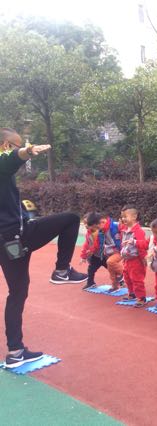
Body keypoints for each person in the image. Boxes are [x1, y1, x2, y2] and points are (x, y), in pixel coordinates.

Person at [0, 128, 87, 368]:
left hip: (6, 241)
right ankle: (62, 270)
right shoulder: (3, 161)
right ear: (6, 145)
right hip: (16, 236)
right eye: (16, 145)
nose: (19, 148)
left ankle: (15, 352)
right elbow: (10, 159)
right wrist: (28, 151)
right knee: (71, 219)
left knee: (18, 292)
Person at [80, 212, 124, 292]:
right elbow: (87, 244)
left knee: (111, 264)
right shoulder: (95, 232)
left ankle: (122, 275)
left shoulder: (108, 228)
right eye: (85, 223)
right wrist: (84, 255)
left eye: (87, 223)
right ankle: (92, 283)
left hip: (108, 254)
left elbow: (98, 244)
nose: (86, 225)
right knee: (93, 269)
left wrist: (91, 250)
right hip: (99, 255)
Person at [119, 205, 148, 308]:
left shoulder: (138, 231)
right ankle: (132, 293)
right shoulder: (125, 229)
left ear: (134, 217)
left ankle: (141, 297)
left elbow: (142, 246)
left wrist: (143, 258)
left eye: (125, 216)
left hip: (136, 260)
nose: (123, 219)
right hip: (127, 259)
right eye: (122, 217)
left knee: (136, 279)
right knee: (127, 277)